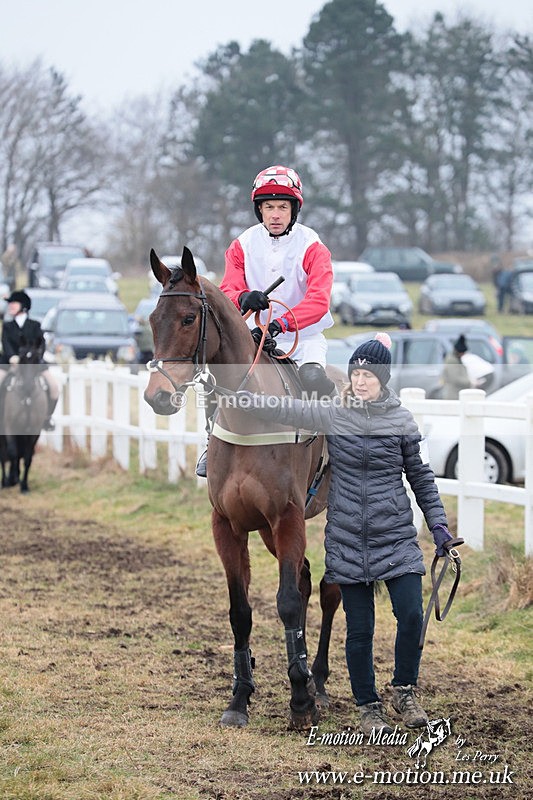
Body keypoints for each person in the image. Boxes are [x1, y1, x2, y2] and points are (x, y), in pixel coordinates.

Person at [222, 333, 453, 735]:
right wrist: (244, 399)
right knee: (359, 630)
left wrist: (439, 527)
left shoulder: (401, 421)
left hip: (395, 535)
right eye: (356, 374)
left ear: (383, 379)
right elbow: (288, 409)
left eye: (369, 375)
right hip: (348, 539)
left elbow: (421, 478)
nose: (360, 381)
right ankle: (368, 707)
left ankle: (404, 690)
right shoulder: (335, 414)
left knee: (411, 615)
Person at [196, 164, 335, 477]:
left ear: (293, 210)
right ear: (259, 209)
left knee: (314, 380)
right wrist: (244, 297)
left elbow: (318, 301)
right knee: (218, 379)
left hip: (303, 339)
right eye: (269, 207)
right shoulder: (242, 245)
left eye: (282, 207)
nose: (275, 215)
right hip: (252, 337)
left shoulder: (313, 246)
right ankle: (210, 444)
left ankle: (335, 449)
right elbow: (228, 290)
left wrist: (280, 324)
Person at [0, 290, 59, 430]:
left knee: (54, 387)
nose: (11, 306)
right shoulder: (8, 326)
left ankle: (47, 418)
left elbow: (41, 345)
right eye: (10, 304)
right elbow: (6, 344)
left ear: (23, 306)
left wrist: (36, 358)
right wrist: (12, 357)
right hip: (10, 363)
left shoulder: (35, 325)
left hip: (33, 363)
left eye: (14, 303)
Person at [440, 334, 472, 399]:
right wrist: (469, 382)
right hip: (453, 395)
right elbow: (455, 379)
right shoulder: (452, 361)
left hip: (457, 393)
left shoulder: (456, 359)